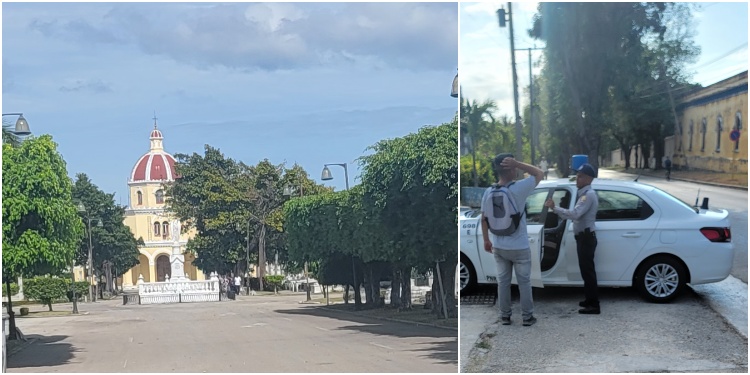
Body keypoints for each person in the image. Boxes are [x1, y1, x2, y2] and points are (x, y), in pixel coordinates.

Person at [481, 153, 544, 326]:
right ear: (512, 169)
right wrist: (518, 163)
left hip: (499, 245)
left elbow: (483, 218)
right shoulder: (518, 189)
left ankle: (505, 316)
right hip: (520, 246)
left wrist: (487, 240)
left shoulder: (488, 192)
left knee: (503, 283)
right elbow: (539, 174)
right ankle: (527, 317)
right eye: (515, 167)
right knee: (524, 282)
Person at [544, 163, 600, 314]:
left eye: (580, 176)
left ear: (588, 179)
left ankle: (594, 305)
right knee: (586, 271)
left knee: (588, 272)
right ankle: (589, 300)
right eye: (577, 176)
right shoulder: (584, 194)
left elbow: (575, 214)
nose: (577, 179)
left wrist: (555, 208)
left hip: (586, 238)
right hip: (583, 238)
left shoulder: (588, 195)